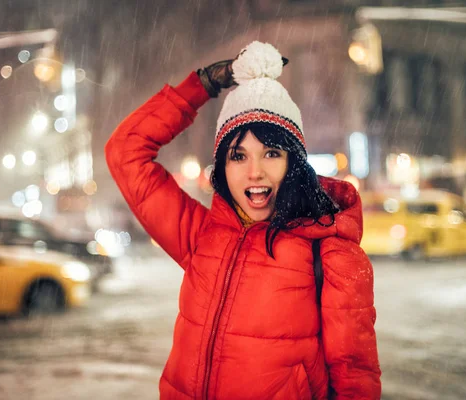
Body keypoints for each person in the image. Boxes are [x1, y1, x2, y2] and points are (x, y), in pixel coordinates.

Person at [106, 41, 381, 399]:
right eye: (238, 156)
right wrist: (202, 85)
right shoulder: (202, 237)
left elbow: (355, 383)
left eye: (271, 153)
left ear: (293, 163)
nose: (255, 172)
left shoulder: (330, 254)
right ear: (222, 167)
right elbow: (125, 152)